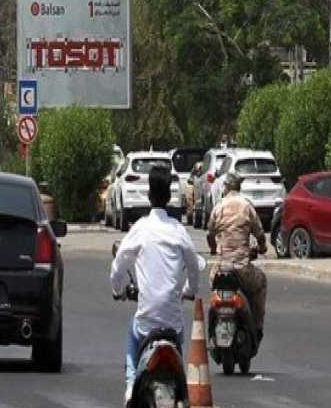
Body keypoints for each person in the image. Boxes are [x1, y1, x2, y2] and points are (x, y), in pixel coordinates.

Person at [110, 162, 203, 393]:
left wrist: (118, 289)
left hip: (146, 323)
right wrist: (190, 290)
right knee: (179, 342)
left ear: (149, 195)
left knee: (132, 332)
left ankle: (131, 386)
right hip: (173, 324)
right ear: (169, 196)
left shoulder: (141, 228)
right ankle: (180, 386)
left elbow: (119, 264)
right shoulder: (178, 230)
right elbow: (193, 264)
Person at [207, 170, 268, 344]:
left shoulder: (218, 207)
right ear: (239, 187)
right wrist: (262, 247)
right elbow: (260, 234)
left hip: (221, 270)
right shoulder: (246, 206)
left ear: (225, 188)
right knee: (261, 282)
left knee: (213, 289)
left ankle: (212, 328)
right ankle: (257, 327)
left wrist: (213, 249)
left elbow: (210, 234)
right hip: (242, 270)